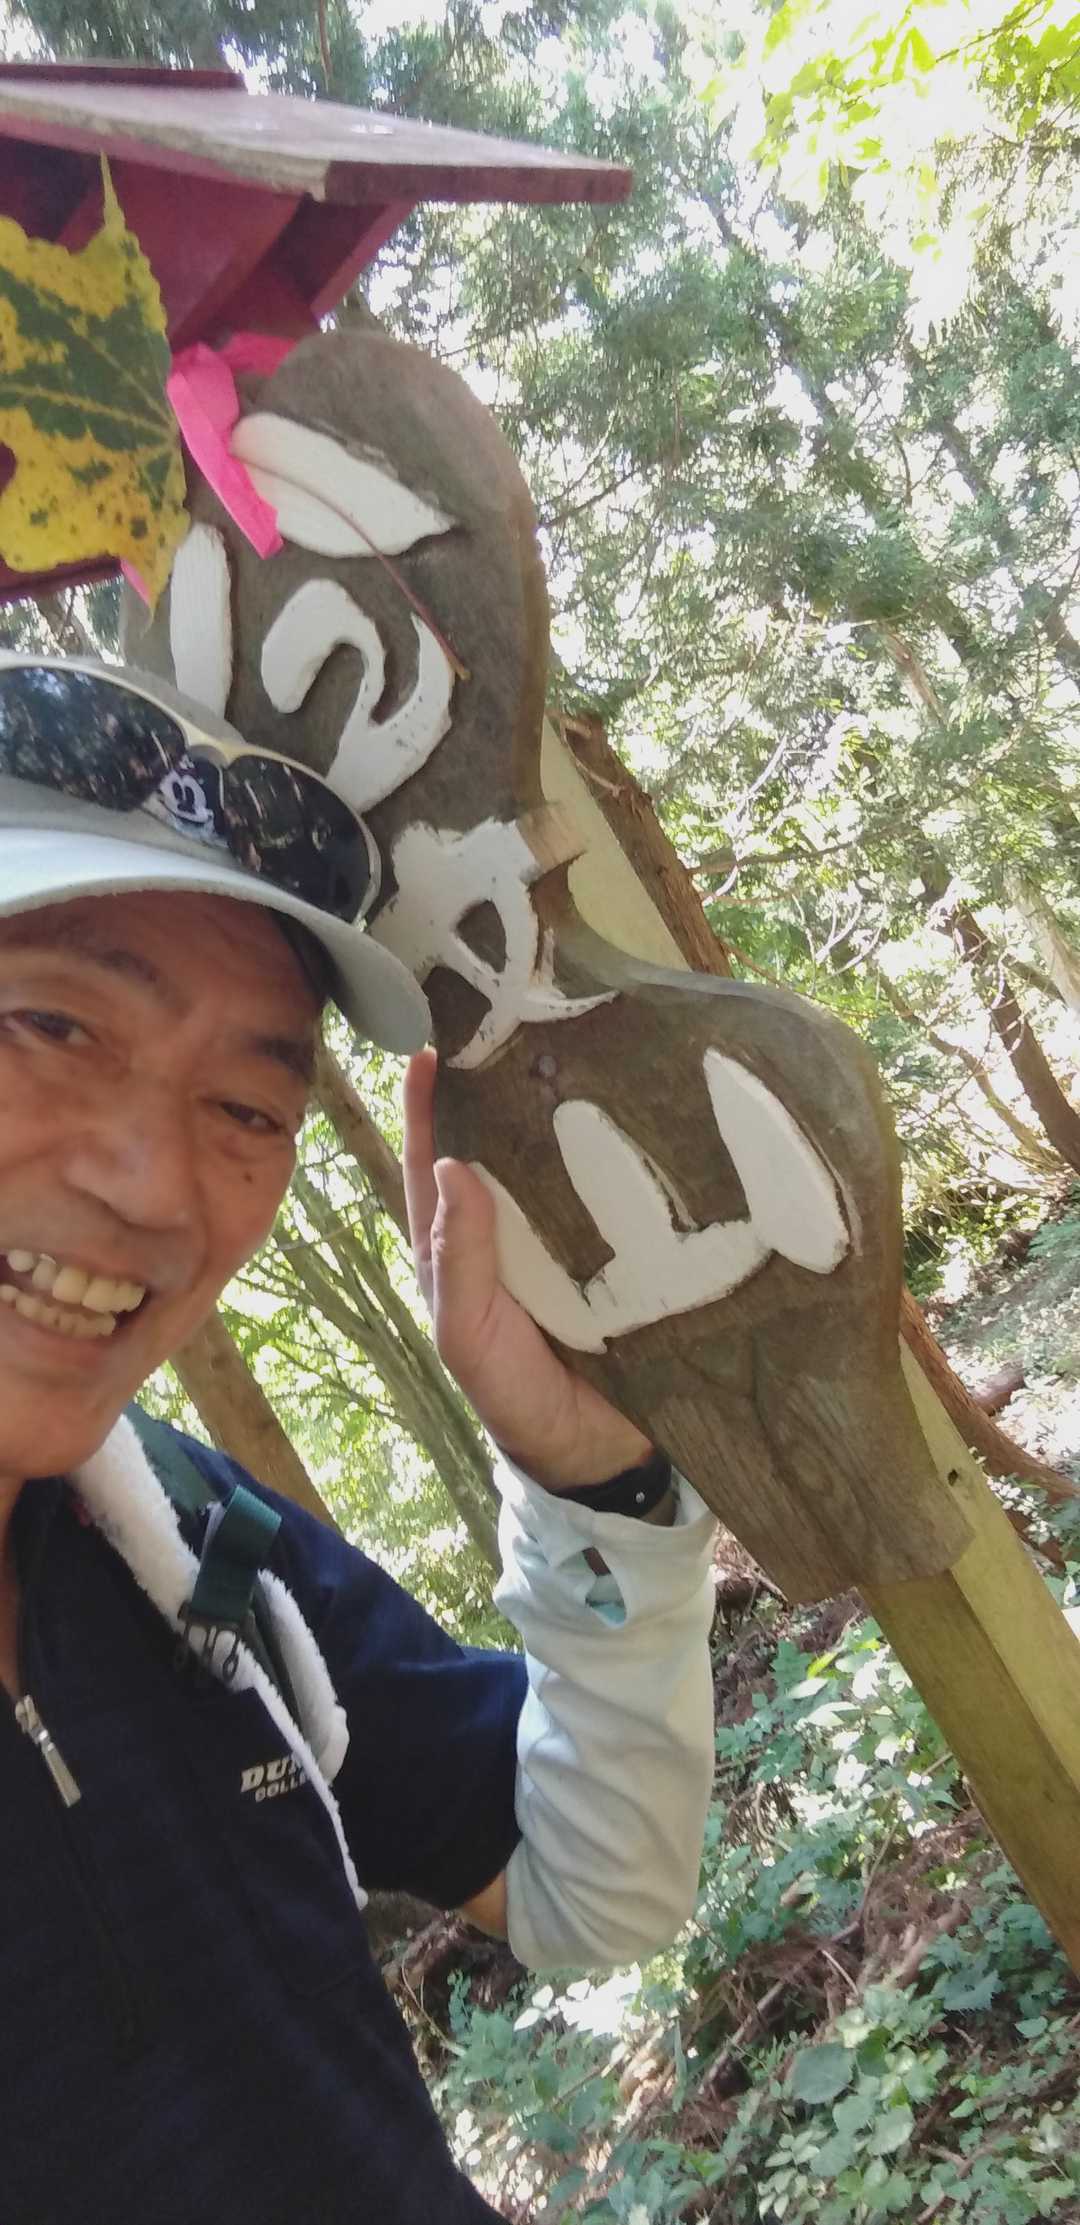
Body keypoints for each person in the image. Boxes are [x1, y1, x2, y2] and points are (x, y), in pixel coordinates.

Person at [0, 654, 717, 2224]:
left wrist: (589, 1477)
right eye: (53, 1022)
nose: (152, 1183)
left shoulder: (189, 1552)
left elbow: (592, 1883)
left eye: (248, 1108)